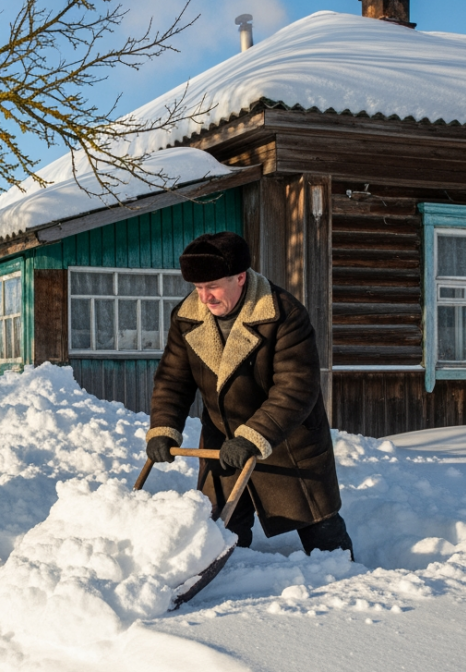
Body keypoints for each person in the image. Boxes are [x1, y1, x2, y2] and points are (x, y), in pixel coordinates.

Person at [147, 231, 353, 557]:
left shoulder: (283, 314)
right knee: (220, 532)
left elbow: (296, 387)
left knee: (321, 531)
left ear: (240, 278)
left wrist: (253, 436)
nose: (204, 298)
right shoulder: (187, 318)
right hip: (223, 441)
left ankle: (349, 583)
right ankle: (229, 580)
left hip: (287, 438)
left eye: (212, 286)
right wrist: (164, 428)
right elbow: (173, 379)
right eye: (198, 288)